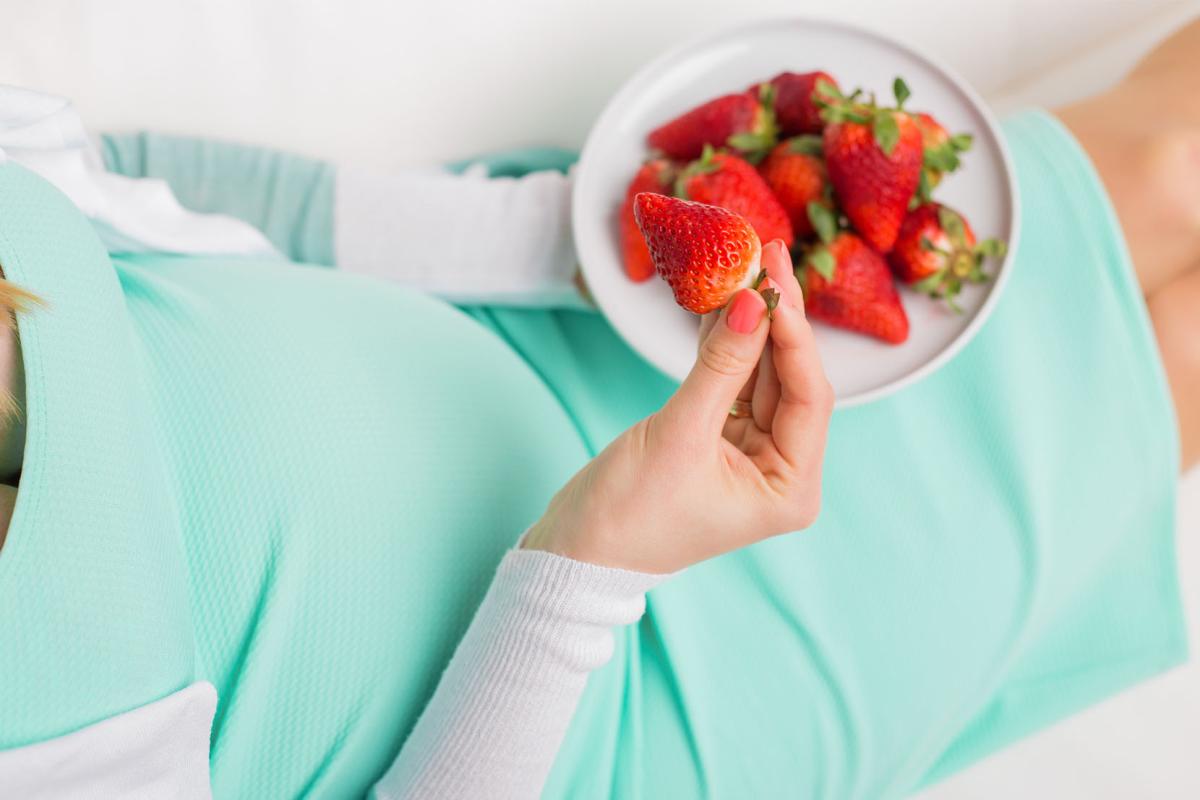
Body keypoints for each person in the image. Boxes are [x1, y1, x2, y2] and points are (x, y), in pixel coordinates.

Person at [0, 18, 1195, 800]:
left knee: (1168, 166)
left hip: (543, 332)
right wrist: (595, 560)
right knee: (1176, 355)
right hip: (618, 697)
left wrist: (566, 241)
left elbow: (125, 183)